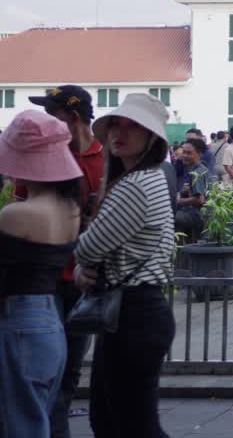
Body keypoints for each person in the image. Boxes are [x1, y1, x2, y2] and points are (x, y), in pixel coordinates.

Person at [73, 93, 176, 436]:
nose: (120, 132)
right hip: (136, 312)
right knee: (111, 420)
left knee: (130, 425)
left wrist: (81, 264)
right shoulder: (151, 178)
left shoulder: (136, 185)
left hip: (134, 314)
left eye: (134, 126)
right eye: (116, 124)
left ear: (152, 138)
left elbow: (87, 249)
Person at [25, 85, 105, 438]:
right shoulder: (42, 155)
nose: (46, 121)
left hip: (86, 280)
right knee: (45, 371)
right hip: (45, 276)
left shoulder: (109, 160)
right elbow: (24, 207)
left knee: (69, 372)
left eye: (52, 114)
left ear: (73, 118)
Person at [0, 111, 84, 438]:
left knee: (19, 424)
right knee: (38, 418)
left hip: (19, 319)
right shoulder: (70, 209)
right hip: (50, 319)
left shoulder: (16, 213)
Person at [173, 139, 209, 240]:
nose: (184, 155)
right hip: (196, 213)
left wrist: (179, 201)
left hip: (198, 215)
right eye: (183, 152)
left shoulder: (196, 172)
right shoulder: (199, 168)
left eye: (189, 153)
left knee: (167, 216)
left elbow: (199, 200)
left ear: (200, 154)